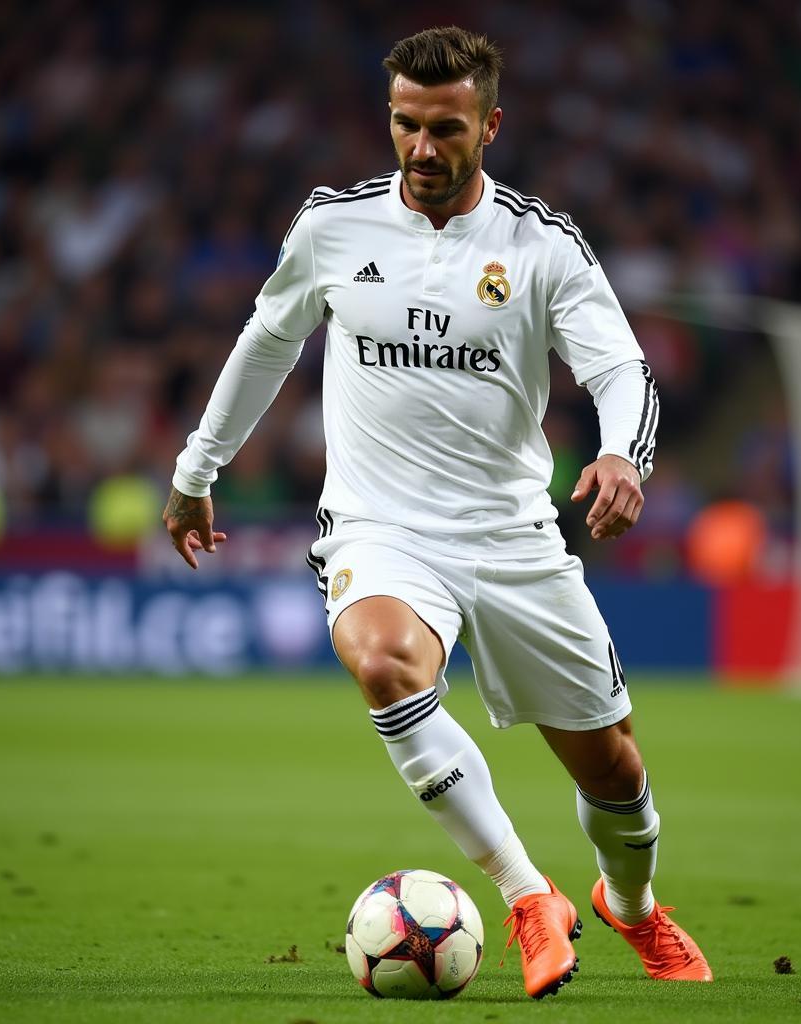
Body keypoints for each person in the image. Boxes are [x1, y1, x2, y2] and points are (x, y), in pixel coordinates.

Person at [163, 25, 712, 998]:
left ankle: (628, 905)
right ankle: (525, 891)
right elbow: (265, 341)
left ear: (489, 126)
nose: (421, 148)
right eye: (405, 125)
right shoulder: (334, 226)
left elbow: (620, 367)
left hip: (512, 537)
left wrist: (623, 453)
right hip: (380, 528)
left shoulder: (539, 245)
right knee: (382, 661)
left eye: (445, 128)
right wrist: (198, 466)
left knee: (613, 770)